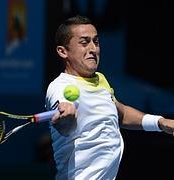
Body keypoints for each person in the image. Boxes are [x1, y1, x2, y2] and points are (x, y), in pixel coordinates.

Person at [45, 15, 174, 180]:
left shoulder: (101, 79)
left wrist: (160, 123)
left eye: (96, 41)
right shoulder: (59, 87)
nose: (93, 48)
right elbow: (64, 127)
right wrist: (67, 117)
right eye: (84, 43)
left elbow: (121, 114)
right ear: (63, 51)